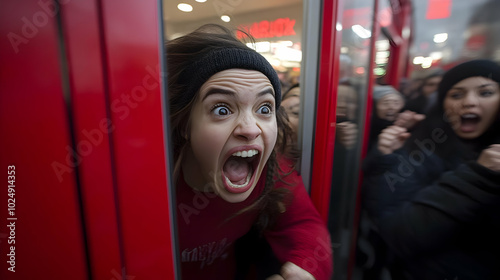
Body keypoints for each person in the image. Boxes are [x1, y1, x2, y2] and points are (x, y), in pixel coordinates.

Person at [166, 24, 333, 280]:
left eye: (264, 109)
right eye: (222, 109)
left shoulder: (272, 170)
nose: (250, 129)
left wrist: (304, 270)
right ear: (185, 126)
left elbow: (304, 224)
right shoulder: (155, 184)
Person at [362, 59, 500, 279]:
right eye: (456, 95)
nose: (469, 102)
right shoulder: (422, 145)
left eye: (485, 93)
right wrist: (479, 177)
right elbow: (399, 232)